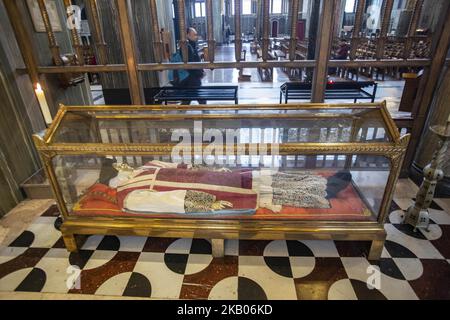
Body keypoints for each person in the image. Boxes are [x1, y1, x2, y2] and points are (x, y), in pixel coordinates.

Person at [180, 27, 206, 105]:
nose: (196, 36)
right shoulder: (186, 47)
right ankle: (206, 115)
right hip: (191, 78)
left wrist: (201, 71)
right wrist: (200, 73)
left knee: (187, 99)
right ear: (187, 35)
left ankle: (180, 114)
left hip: (192, 78)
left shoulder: (191, 45)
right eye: (194, 35)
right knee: (201, 99)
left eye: (196, 35)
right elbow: (190, 64)